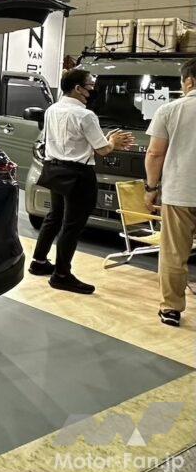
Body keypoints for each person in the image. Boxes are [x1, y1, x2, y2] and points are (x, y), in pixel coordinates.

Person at [31, 69, 135, 293]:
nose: (93, 90)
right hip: (78, 174)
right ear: (78, 88)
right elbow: (103, 149)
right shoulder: (85, 115)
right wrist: (113, 141)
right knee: (72, 226)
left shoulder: (52, 110)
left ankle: (38, 261)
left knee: (54, 216)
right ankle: (61, 275)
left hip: (54, 169)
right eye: (90, 86)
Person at [144, 57, 196, 327]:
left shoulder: (170, 110)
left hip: (179, 193)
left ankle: (171, 309)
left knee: (175, 254)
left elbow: (155, 153)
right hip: (180, 192)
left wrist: (151, 188)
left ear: (189, 81)